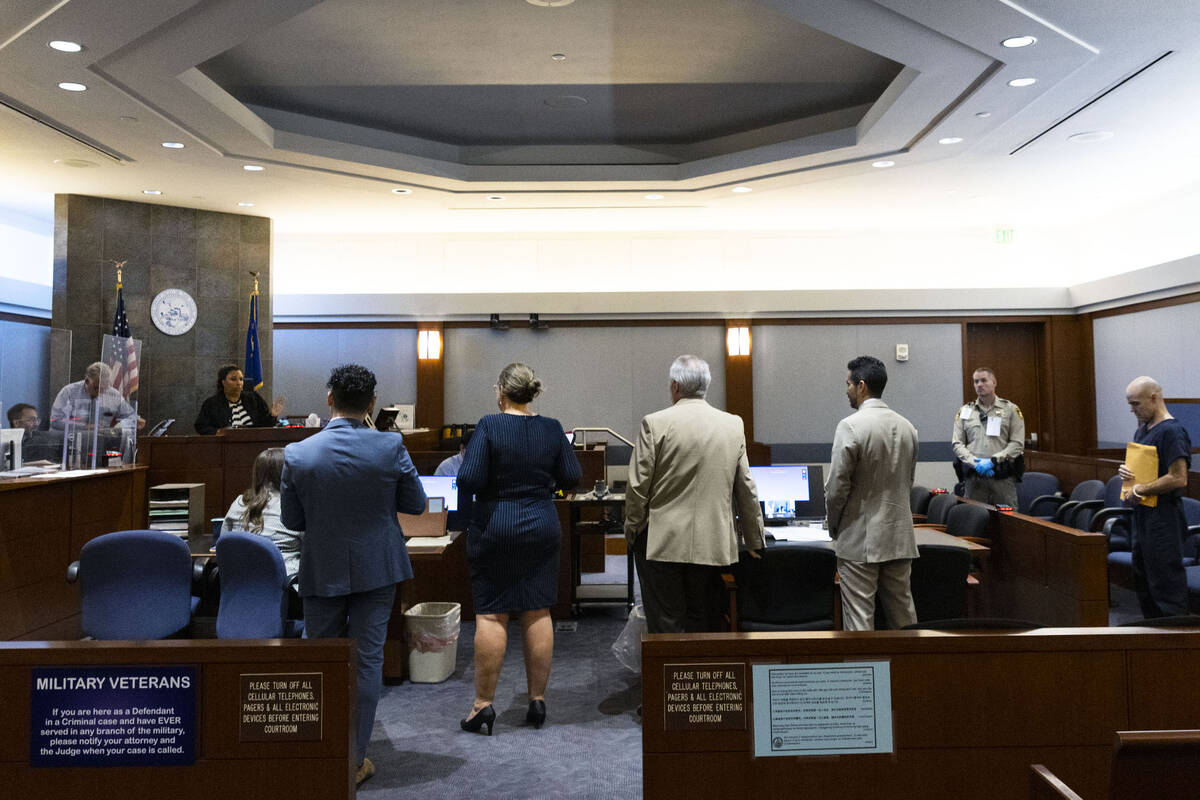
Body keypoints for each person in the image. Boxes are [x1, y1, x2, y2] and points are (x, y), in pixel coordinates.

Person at [279, 364, 426, 786]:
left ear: (329, 399)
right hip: (377, 569)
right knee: (366, 663)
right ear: (372, 404)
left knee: (321, 660)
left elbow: (291, 520)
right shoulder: (391, 447)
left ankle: (321, 754)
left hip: (321, 568)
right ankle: (354, 760)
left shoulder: (299, 453)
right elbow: (415, 505)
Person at [456, 363, 581, 735]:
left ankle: (482, 707)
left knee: (493, 614)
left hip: (496, 526)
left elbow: (468, 479)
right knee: (538, 610)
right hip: (542, 524)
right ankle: (537, 701)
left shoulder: (490, 426)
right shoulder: (552, 428)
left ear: (501, 392)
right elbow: (572, 476)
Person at [624, 354, 764, 635]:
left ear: (675, 386)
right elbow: (745, 487)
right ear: (706, 386)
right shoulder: (732, 424)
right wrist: (754, 537)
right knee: (705, 615)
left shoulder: (655, 423)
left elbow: (637, 487)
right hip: (714, 541)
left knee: (666, 620)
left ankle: (670, 677)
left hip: (662, 541)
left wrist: (633, 528)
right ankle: (703, 674)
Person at [825, 356, 920, 631]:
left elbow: (837, 489)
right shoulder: (907, 427)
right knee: (904, 619)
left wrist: (834, 527)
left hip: (860, 538)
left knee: (859, 624)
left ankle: (865, 675)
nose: (846, 390)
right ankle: (911, 672)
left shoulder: (850, 426)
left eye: (848, 384)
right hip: (900, 536)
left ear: (861, 386)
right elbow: (908, 481)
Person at [1117, 376, 1192, 619]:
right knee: (1144, 582)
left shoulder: (1171, 431)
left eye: (1136, 403)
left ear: (1154, 398)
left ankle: (1173, 646)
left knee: (1165, 588)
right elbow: (1144, 471)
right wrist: (1126, 473)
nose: (1132, 409)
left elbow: (1178, 478)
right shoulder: (1143, 429)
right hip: (1143, 516)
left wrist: (1140, 490)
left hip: (1164, 519)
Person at [223, 447, 304, 582]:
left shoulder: (238, 502)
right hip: (286, 583)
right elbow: (311, 553)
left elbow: (224, 543)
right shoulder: (294, 506)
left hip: (241, 583)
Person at [952, 366, 1025, 507]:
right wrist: (974, 462)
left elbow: (1017, 443)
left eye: (984, 380)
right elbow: (957, 443)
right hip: (975, 478)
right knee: (973, 520)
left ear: (994, 382)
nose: (979, 385)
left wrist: (993, 461)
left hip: (1001, 477)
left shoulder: (1010, 410)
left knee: (1008, 521)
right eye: (976, 381)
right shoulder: (965, 411)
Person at [49, 362, 144, 430]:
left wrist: (135, 420)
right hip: (69, 443)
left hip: (100, 444)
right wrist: (84, 427)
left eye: (104, 389)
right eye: (96, 388)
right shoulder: (69, 392)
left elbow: (129, 416)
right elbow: (55, 421)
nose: (100, 393)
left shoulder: (113, 395)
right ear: (87, 381)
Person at [195, 364, 285, 435]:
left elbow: (265, 425)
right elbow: (201, 426)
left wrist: (273, 415)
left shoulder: (254, 399)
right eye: (233, 379)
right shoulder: (212, 403)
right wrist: (218, 432)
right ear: (223, 382)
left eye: (241, 379)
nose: (239, 383)